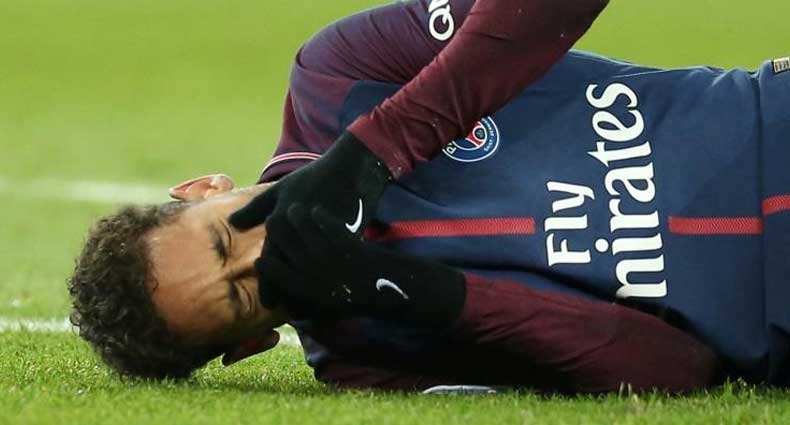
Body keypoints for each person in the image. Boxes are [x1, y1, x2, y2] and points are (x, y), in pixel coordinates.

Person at [68, 0, 790, 392]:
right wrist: (413, 292)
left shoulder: (336, 78)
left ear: (205, 188)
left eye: (225, 236)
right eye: (241, 296)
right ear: (250, 344)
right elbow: (676, 371)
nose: (262, 255)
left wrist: (368, 153)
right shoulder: (367, 357)